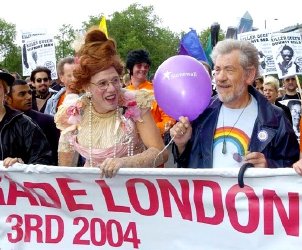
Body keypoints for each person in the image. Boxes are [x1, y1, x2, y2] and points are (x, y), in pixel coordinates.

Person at [54, 27, 168, 177]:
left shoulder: (135, 103)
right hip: (93, 190)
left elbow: (160, 152)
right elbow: (65, 164)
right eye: (102, 83)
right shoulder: (76, 109)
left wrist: (124, 163)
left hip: (131, 188)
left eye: (115, 80)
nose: (112, 89)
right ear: (87, 86)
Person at [170, 39, 299, 168]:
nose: (220, 77)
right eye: (217, 70)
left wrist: (268, 166)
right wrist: (182, 145)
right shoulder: (202, 112)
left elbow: (292, 169)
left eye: (229, 70)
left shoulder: (275, 118)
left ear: (249, 75)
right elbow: (187, 168)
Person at [0, 70, 54, 167]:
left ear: (5, 91)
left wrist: (21, 166)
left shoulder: (24, 124)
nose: (28, 97)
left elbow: (44, 161)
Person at [125, 49, 176, 137]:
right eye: (139, 66)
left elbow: (169, 118)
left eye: (146, 66)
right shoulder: (123, 94)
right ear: (129, 69)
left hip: (154, 143)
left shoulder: (158, 91)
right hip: (129, 145)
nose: (143, 69)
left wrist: (151, 132)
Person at [276, 75, 301, 140]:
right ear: (283, 82)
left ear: (296, 81)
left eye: (293, 79)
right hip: (286, 140)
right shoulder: (278, 101)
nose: (290, 82)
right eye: (287, 80)